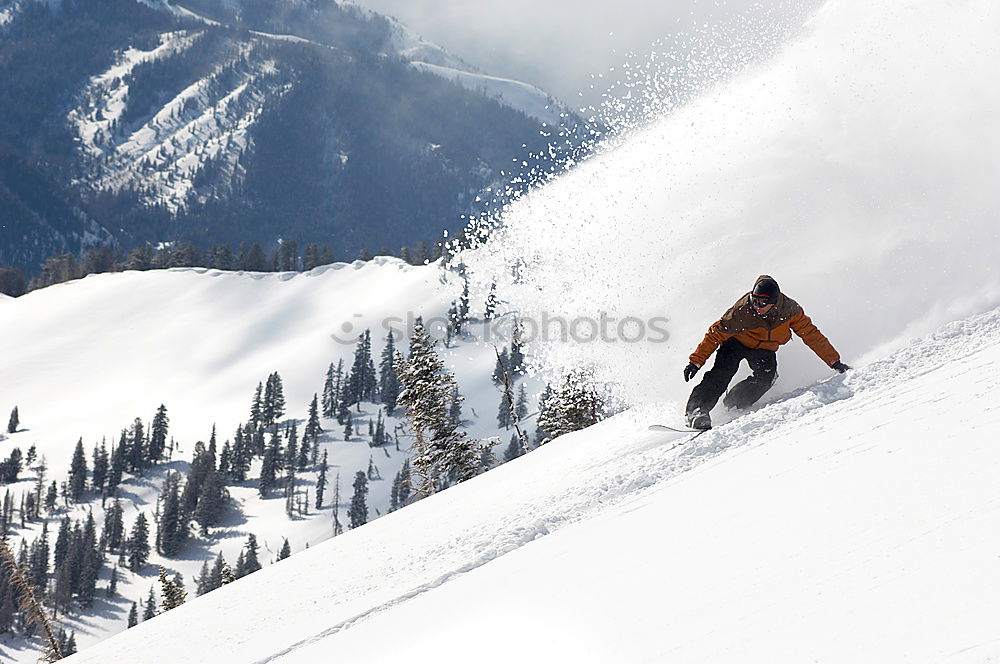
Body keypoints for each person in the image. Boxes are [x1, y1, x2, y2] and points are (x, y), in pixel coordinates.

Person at [683, 275, 849, 430]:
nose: (757, 306)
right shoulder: (741, 311)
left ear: (774, 302)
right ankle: (696, 411)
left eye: (762, 303)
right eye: (754, 300)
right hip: (736, 342)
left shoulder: (790, 311)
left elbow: (812, 335)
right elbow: (715, 334)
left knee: (766, 378)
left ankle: (734, 403)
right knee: (722, 373)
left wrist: (834, 361)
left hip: (765, 348)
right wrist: (696, 361)